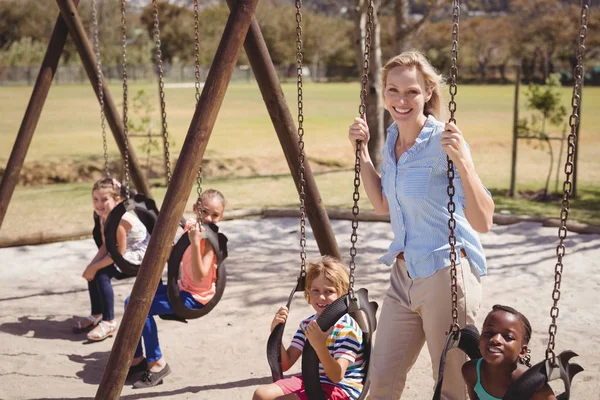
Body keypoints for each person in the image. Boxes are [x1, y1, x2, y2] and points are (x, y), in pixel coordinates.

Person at [347, 50, 495, 400]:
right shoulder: (392, 140)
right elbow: (383, 204)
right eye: (393, 90)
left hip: (445, 274)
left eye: (411, 91)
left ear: (428, 92)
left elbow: (483, 220)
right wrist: (363, 152)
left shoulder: (444, 140)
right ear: (383, 93)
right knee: (381, 380)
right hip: (402, 278)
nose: (401, 100)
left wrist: (464, 163)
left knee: (451, 387)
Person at [125, 189, 226, 388]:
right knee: (131, 302)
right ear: (196, 209)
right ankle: (137, 360)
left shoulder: (211, 243)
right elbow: (175, 255)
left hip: (196, 297)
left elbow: (199, 275)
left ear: (221, 216)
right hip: (182, 288)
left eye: (215, 215)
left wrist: (195, 244)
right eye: (204, 212)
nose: (209, 218)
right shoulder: (191, 228)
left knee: (141, 309)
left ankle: (157, 363)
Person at [253, 256, 365, 400]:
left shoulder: (347, 329)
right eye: (315, 290)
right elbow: (285, 364)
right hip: (311, 380)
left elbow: (337, 376)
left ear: (342, 293)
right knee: (261, 395)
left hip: (341, 389)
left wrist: (320, 346)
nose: (321, 297)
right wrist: (276, 332)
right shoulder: (307, 325)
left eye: (329, 291)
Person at [73, 177, 150, 342]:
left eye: (104, 200)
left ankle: (109, 321)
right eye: (95, 199)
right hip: (121, 251)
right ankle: (96, 314)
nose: (99, 204)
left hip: (138, 254)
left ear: (117, 200)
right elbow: (106, 246)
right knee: (93, 271)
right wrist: (91, 265)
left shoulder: (121, 220)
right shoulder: (102, 216)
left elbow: (119, 254)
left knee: (101, 274)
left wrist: (95, 268)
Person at [462, 305, 555, 400]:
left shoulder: (535, 387)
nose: (495, 339)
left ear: (522, 351)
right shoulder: (471, 372)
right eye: (489, 333)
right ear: (480, 339)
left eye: (508, 337)